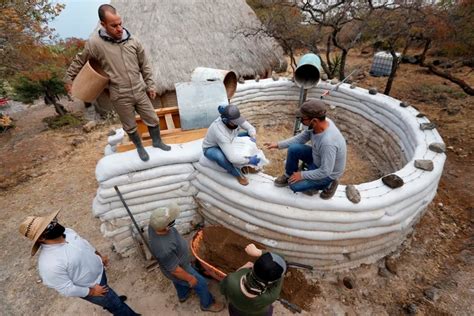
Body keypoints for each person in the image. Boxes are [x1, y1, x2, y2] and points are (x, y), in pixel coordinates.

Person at [64, 4, 170, 162]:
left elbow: (145, 65)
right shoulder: (95, 44)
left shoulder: (133, 41)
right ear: (103, 25)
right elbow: (80, 60)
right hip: (119, 94)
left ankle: (157, 141)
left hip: (139, 90)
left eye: (120, 23)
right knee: (129, 125)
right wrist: (69, 78)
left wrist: (150, 84)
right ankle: (139, 147)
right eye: (114, 26)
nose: (119, 28)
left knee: (152, 118)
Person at [18, 210, 138, 315]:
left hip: (100, 274)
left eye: (52, 221)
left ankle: (111, 302)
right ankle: (116, 305)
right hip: (92, 286)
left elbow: (85, 245)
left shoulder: (68, 232)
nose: (55, 224)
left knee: (111, 298)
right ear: (41, 238)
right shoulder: (49, 264)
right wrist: (92, 291)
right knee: (118, 306)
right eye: (49, 227)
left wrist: (99, 256)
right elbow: (67, 289)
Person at [147, 204, 225, 313]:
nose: (174, 221)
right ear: (165, 226)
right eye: (172, 221)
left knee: (178, 282)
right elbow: (175, 270)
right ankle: (207, 304)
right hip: (180, 268)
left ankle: (183, 295)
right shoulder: (163, 249)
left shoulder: (154, 226)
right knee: (200, 282)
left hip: (175, 265)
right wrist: (190, 278)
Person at [264, 99, 346, 199]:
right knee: (294, 149)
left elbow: (325, 171)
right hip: (317, 158)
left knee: (294, 185)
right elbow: (300, 138)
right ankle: (288, 175)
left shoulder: (328, 143)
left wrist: (302, 175)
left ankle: (329, 184)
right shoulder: (318, 124)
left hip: (327, 173)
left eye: (302, 119)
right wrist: (278, 144)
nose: (301, 121)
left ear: (314, 120)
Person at [220, 244, 286, 316]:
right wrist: (259, 252)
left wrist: (242, 269)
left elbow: (222, 290)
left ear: (253, 266)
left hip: (236, 311)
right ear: (271, 282)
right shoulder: (271, 296)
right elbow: (282, 257)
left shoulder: (231, 280)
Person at [202, 104, 260, 186]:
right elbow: (232, 159)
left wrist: (252, 136)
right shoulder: (219, 131)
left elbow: (250, 128)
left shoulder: (235, 118)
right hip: (212, 147)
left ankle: (246, 166)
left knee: (247, 135)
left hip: (231, 139)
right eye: (234, 123)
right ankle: (237, 174)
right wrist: (249, 160)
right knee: (221, 157)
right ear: (225, 120)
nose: (237, 124)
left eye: (237, 122)